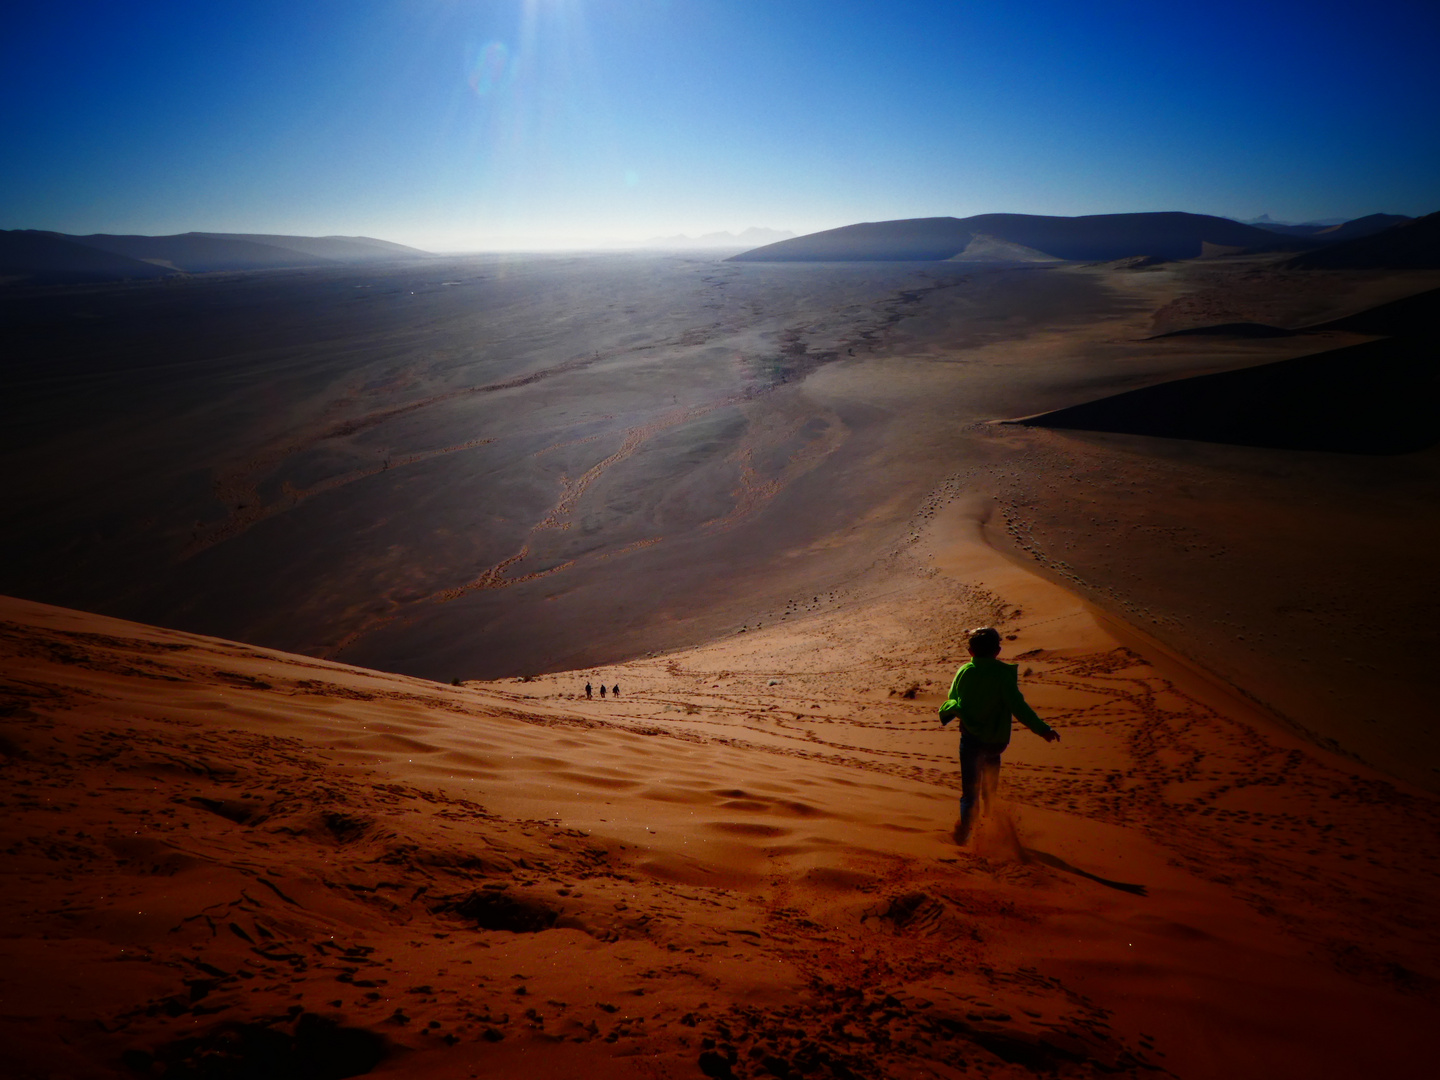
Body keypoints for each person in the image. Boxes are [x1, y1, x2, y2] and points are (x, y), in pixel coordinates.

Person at [939, 627, 1059, 843]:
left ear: (970, 651)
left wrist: (952, 710)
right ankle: (991, 826)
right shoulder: (1003, 675)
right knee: (988, 789)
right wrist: (1043, 729)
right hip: (995, 743)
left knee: (969, 793)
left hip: (972, 741)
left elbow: (953, 699)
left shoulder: (964, 672)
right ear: (997, 650)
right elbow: (1019, 707)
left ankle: (965, 837)